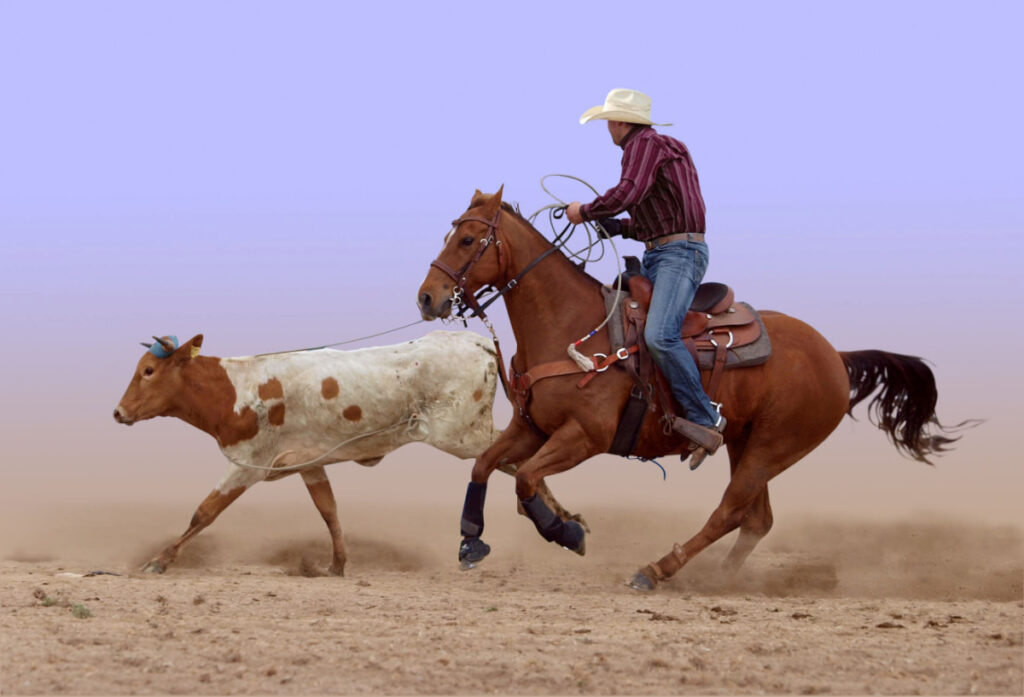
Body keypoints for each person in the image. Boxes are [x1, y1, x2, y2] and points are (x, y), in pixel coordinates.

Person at [565, 88, 726, 467]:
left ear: (620, 122)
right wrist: (618, 227)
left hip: (678, 254)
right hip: (663, 249)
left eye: (608, 122)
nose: (608, 129)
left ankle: (705, 416)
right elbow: (657, 214)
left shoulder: (643, 145)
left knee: (659, 335)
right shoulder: (664, 147)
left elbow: (628, 192)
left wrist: (584, 211)